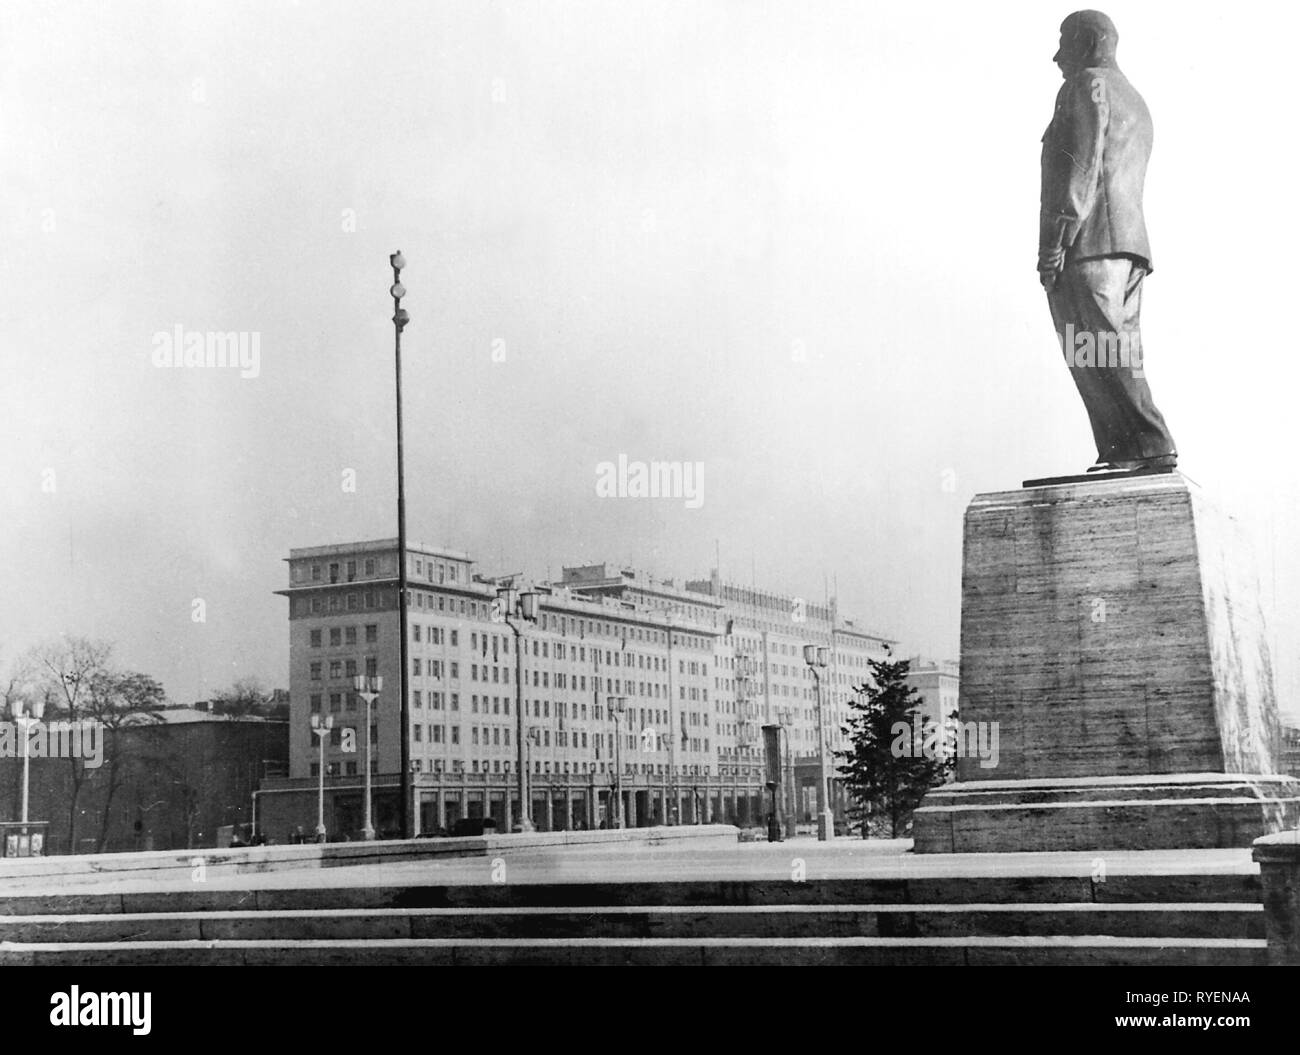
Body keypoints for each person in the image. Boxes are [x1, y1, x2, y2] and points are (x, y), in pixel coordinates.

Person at [1039, 10, 1177, 472]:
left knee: (1094, 346)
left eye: (1066, 43)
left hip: (1089, 242)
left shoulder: (1086, 86)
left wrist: (1054, 243)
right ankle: (1126, 448)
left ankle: (1146, 443)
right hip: (1128, 246)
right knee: (1115, 347)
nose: (1057, 56)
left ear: (1091, 41)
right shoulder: (1133, 98)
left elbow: (1081, 166)